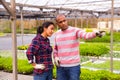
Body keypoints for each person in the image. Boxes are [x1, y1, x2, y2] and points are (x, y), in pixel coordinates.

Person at [53, 14, 105, 80]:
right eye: (60, 22)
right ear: (57, 24)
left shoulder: (75, 30)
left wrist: (95, 34)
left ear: (66, 20)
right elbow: (55, 49)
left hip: (73, 67)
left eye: (64, 20)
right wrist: (56, 57)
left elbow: (85, 35)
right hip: (61, 67)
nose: (63, 23)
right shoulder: (57, 34)